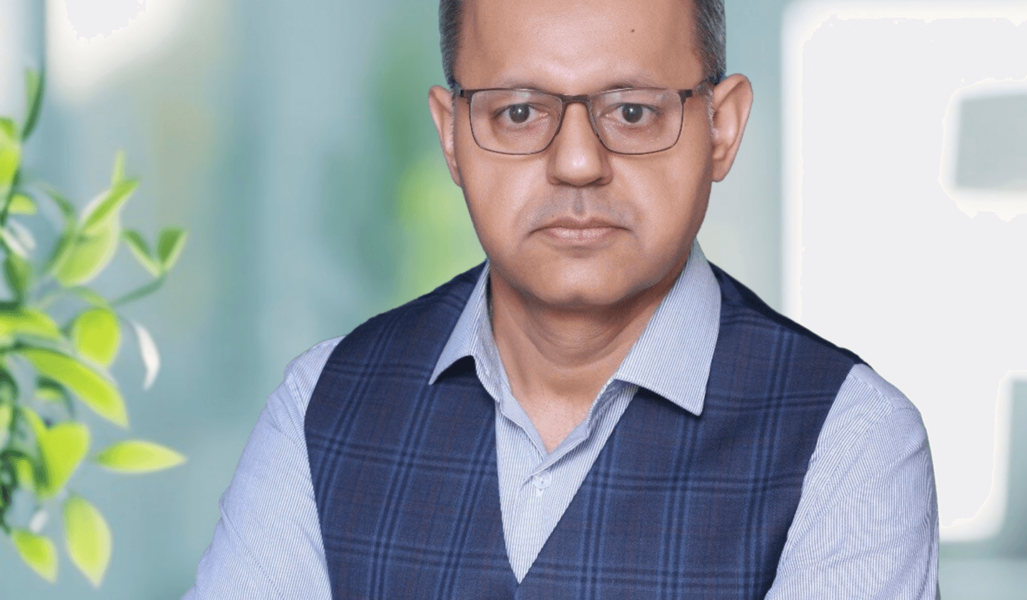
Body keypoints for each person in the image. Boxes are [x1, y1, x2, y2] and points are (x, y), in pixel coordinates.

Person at [185, 0, 939, 597]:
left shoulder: (848, 441)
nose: (577, 162)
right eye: (519, 112)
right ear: (451, 135)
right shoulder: (323, 406)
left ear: (722, 127)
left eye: (632, 111)